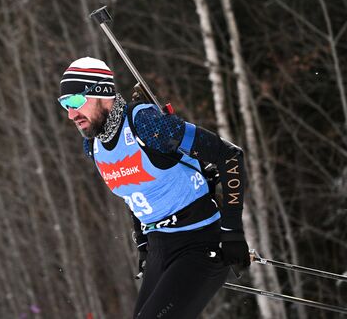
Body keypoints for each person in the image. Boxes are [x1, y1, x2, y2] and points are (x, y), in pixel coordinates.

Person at [58, 57, 251, 319]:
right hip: (161, 247)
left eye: (75, 102)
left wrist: (232, 232)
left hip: (201, 242)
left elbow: (230, 156)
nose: (71, 114)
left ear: (102, 93)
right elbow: (133, 190)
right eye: (64, 104)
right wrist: (143, 240)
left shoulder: (147, 126)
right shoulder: (93, 145)